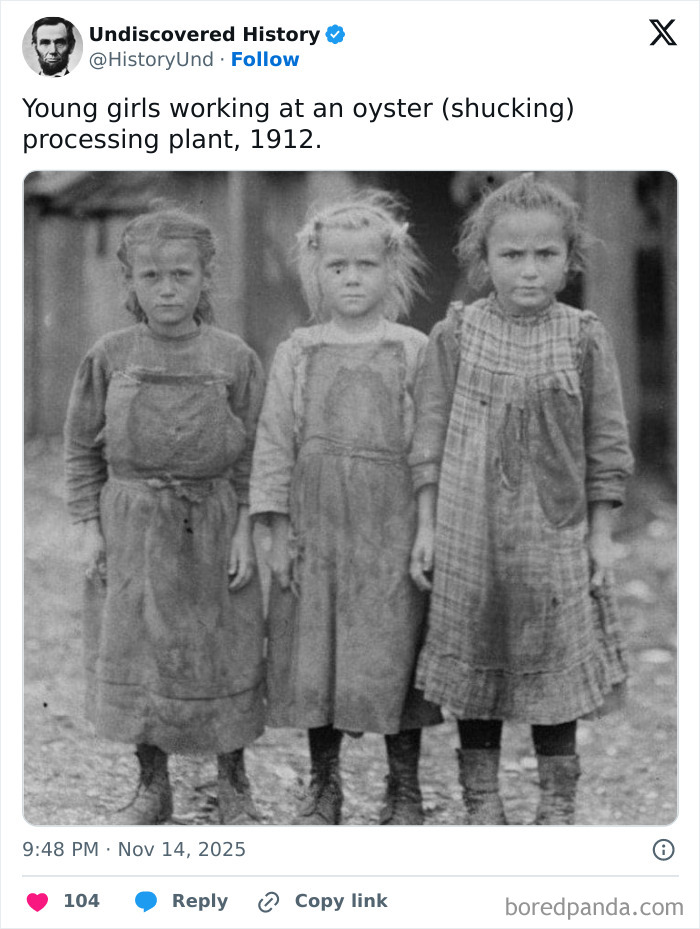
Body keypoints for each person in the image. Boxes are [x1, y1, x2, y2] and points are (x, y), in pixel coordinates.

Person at [409, 174, 634, 825]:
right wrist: (425, 524)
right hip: (467, 525)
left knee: (554, 660)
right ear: (483, 261)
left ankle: (556, 800)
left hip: (554, 531)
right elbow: (428, 432)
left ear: (570, 260)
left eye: (545, 255)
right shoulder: (456, 334)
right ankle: (483, 799)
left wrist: (599, 533)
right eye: (511, 255)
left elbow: (607, 440)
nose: (529, 270)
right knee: (476, 655)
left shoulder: (584, 336)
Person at [65, 208, 266, 825]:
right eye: (151, 276)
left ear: (208, 278)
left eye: (182, 273)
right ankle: (152, 787)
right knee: (138, 652)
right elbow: (80, 449)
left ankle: (234, 785)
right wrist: (89, 530)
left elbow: (257, 451)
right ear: (129, 282)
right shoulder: (110, 355)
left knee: (224, 651)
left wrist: (244, 531)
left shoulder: (234, 357)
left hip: (213, 524)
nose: (168, 288)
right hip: (133, 524)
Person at [250, 191, 442, 825]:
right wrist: (274, 530)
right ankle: (324, 785)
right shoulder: (298, 351)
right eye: (338, 267)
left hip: (390, 526)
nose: (352, 277)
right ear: (317, 271)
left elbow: (427, 447)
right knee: (317, 655)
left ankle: (404, 786)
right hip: (317, 526)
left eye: (365, 265)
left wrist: (426, 525)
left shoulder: (413, 349)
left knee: (394, 650)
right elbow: (275, 443)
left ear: (391, 269)